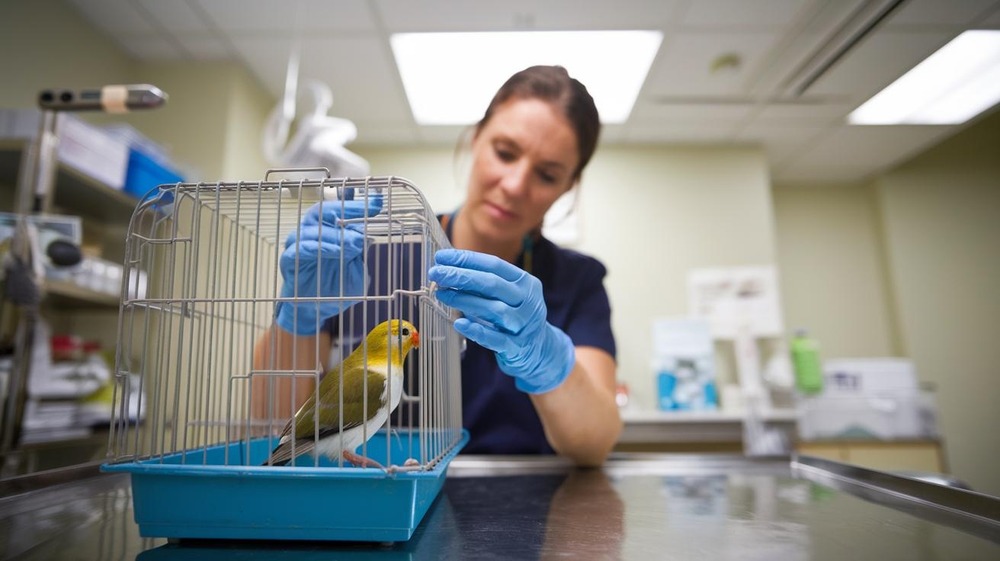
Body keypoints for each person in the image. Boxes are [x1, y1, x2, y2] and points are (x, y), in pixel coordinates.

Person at [253, 65, 621, 466]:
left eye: (547, 174)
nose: (515, 185)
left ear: (568, 187)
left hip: (521, 504)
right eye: (505, 152)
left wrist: (546, 359)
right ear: (475, 139)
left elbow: (595, 443)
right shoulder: (365, 255)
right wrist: (298, 315)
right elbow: (265, 423)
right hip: (378, 497)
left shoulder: (577, 281)